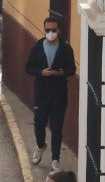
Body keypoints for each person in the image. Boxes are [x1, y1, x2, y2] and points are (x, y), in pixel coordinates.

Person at [24, 17, 76, 171]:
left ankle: (55, 159)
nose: (50, 33)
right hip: (41, 92)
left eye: (53, 30)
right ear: (44, 30)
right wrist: (41, 72)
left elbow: (72, 69)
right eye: (48, 30)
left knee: (56, 127)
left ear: (58, 30)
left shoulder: (66, 48)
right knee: (39, 124)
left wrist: (61, 73)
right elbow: (28, 68)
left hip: (59, 93)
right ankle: (40, 145)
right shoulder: (37, 47)